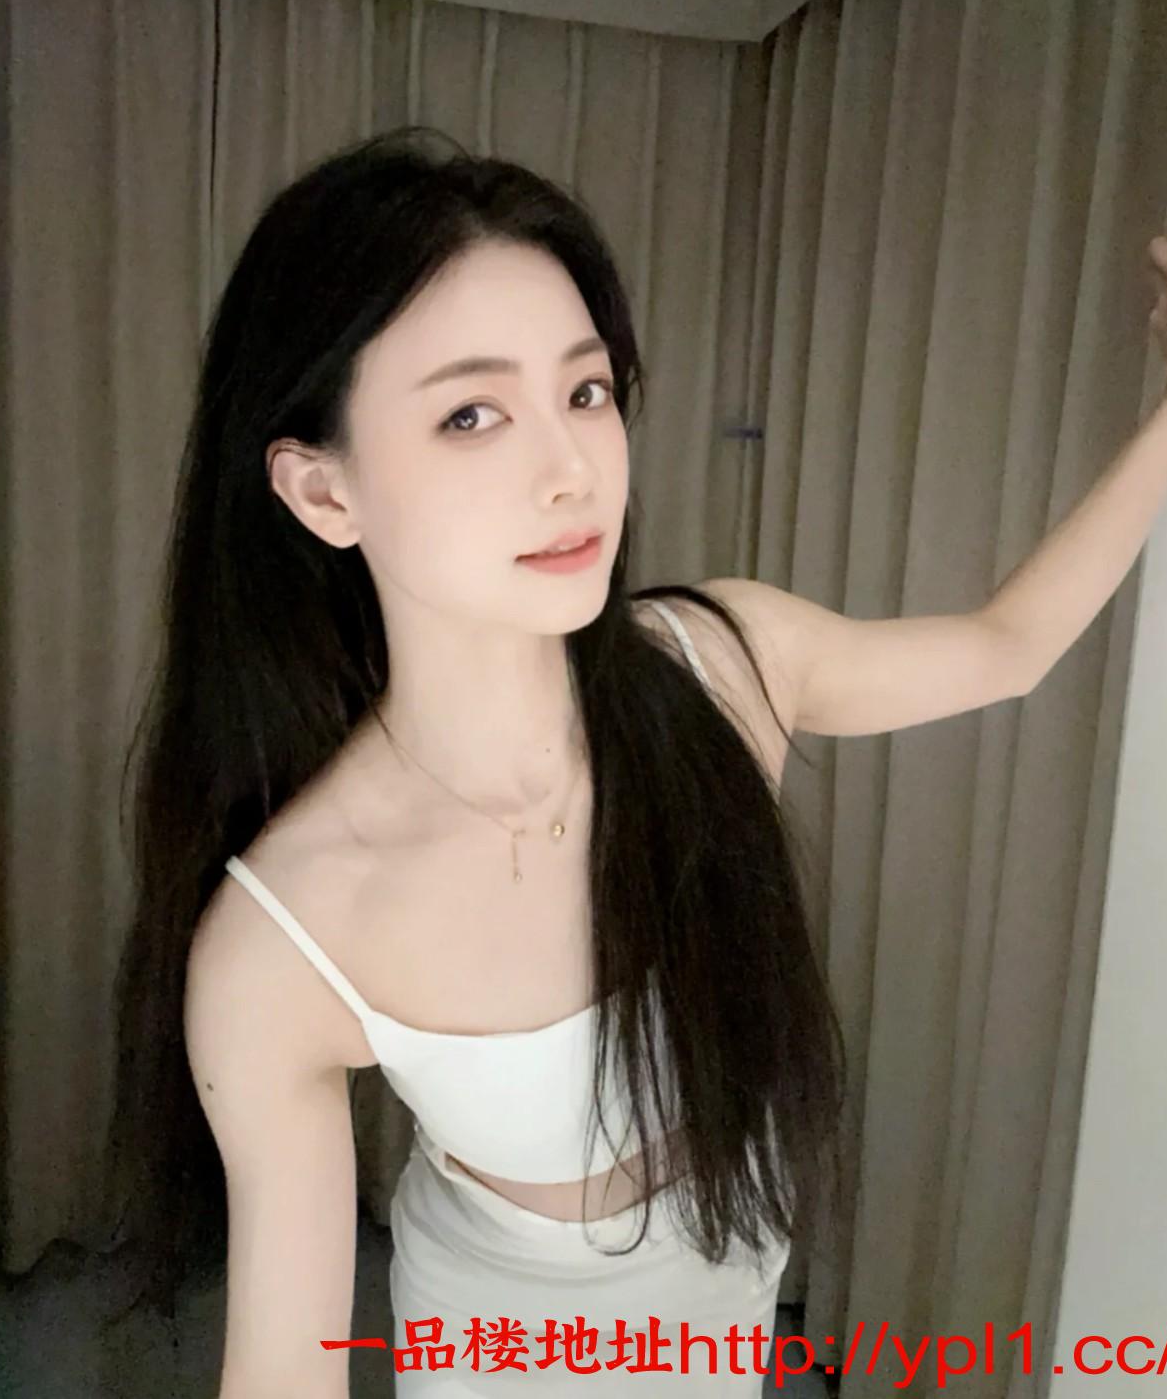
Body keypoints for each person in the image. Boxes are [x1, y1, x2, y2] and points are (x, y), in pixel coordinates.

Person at [104, 126, 849, 1396]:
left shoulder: (703, 672)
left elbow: (1009, 646)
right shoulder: (281, 933)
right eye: (470, 413)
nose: (571, 471)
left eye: (587, 392)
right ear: (323, 493)